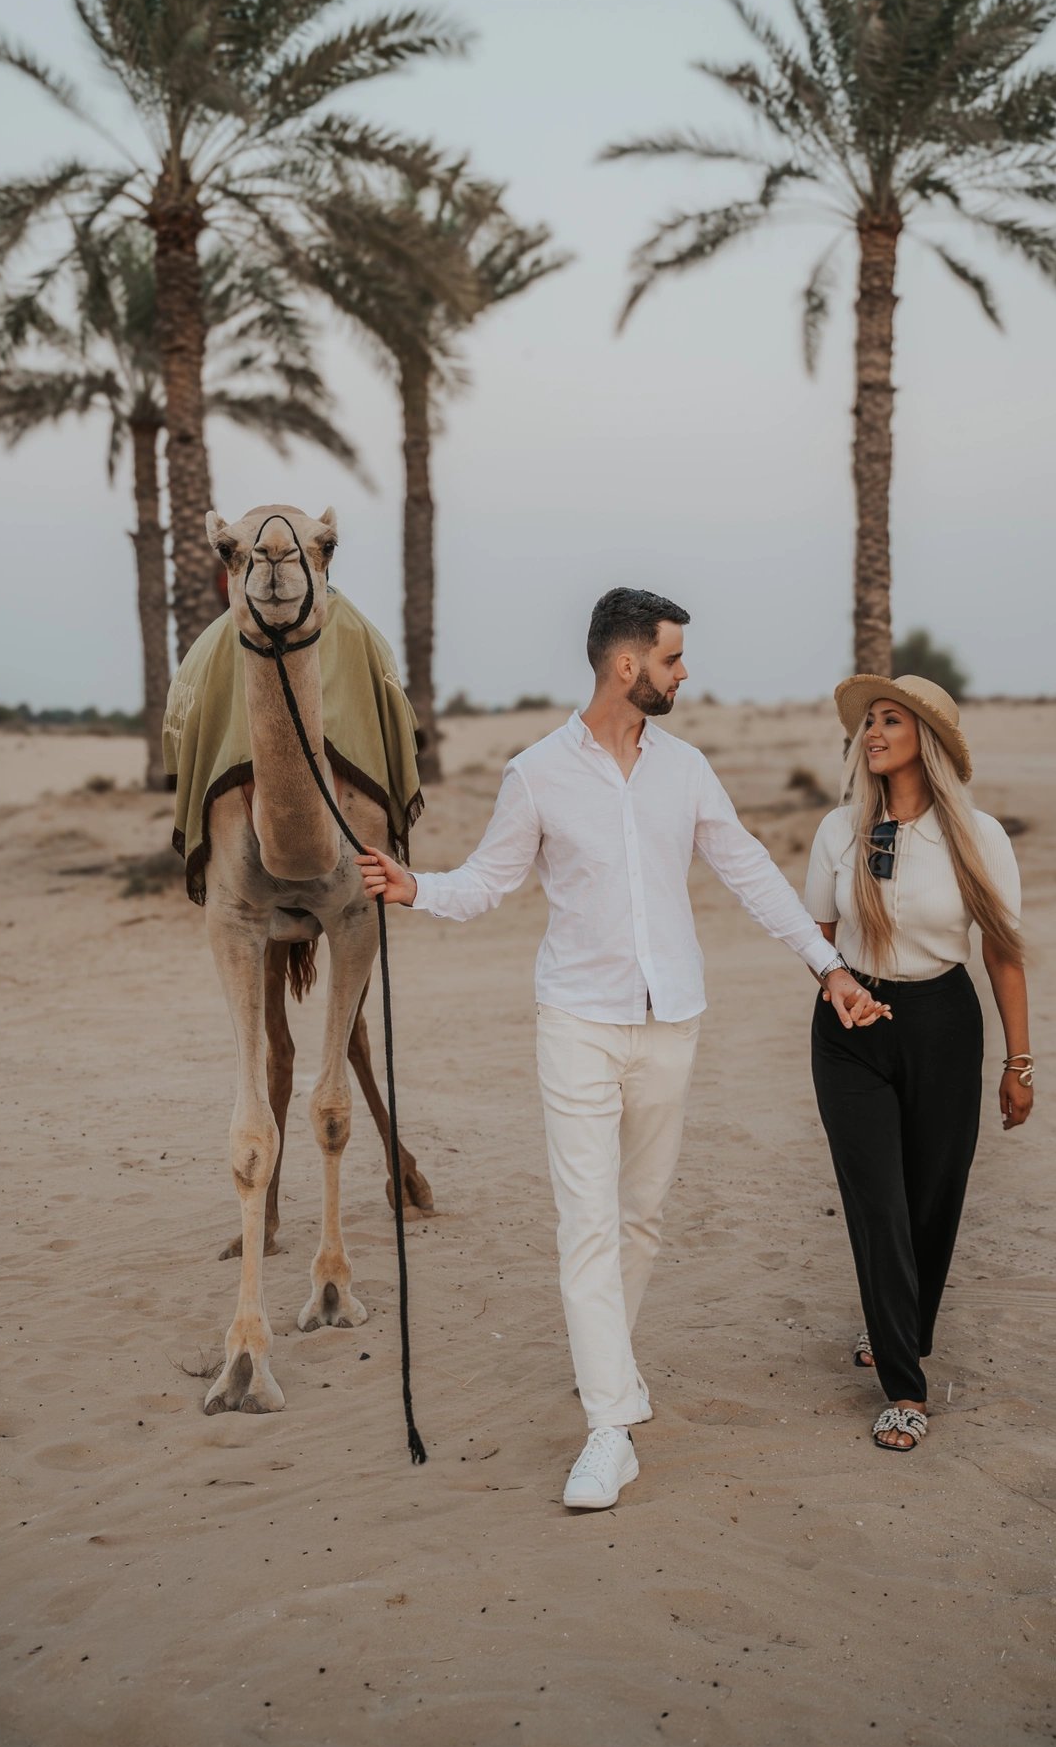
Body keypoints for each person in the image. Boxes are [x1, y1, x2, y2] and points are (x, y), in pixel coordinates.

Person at [356, 588, 884, 1508]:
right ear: (625, 665)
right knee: (586, 1222)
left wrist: (827, 967)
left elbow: (750, 871)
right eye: (673, 659)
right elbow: (489, 881)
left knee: (640, 1217)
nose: (684, 674)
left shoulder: (685, 771)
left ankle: (606, 1364)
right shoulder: (535, 774)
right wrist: (414, 888)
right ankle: (609, 1427)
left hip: (672, 1020)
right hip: (577, 1021)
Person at [804, 673, 1034, 1453]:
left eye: (889, 720)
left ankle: (898, 1326)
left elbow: (1003, 956)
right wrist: (836, 986)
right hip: (848, 1029)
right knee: (877, 1203)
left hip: (942, 1020)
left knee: (932, 1198)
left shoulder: (979, 838)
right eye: (867, 721)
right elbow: (817, 939)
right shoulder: (837, 830)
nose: (871, 733)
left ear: (923, 740)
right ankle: (903, 1386)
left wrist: (1019, 1063)